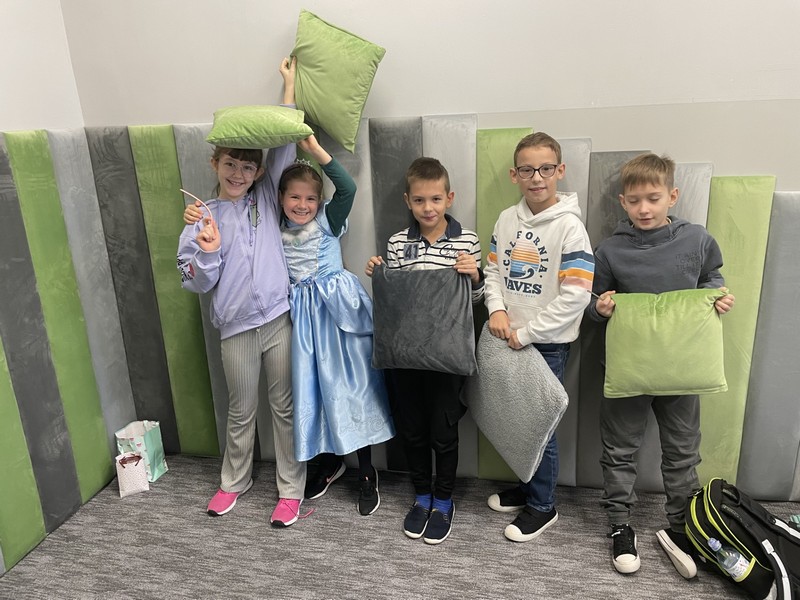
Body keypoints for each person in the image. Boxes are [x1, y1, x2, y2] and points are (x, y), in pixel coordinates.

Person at [186, 135, 395, 516]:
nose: (302, 205)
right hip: (300, 323)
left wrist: (313, 148)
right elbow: (199, 271)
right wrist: (205, 240)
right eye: (294, 197)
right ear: (279, 197)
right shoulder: (261, 220)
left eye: (310, 198)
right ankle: (325, 464)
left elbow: (346, 188)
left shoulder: (324, 219)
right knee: (312, 395)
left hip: (332, 317)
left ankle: (362, 472)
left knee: (348, 391)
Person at [587, 152, 735, 577]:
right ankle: (620, 524)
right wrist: (600, 308)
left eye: (653, 198)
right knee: (619, 449)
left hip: (683, 366)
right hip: (628, 367)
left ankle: (684, 526)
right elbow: (592, 302)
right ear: (622, 202)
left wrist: (719, 298)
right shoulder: (610, 249)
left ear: (672, 196)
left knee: (683, 451)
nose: (644, 209)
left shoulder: (697, 240)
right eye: (634, 201)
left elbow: (712, 279)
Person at [176, 57, 307, 527]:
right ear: (215, 163)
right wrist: (208, 251)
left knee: (284, 408)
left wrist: (288, 87)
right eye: (230, 164)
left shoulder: (267, 196)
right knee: (241, 410)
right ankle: (234, 481)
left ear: (257, 172)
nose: (237, 173)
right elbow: (193, 280)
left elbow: (286, 144)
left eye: (247, 166)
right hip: (235, 330)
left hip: (277, 320)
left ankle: (291, 489)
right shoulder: (201, 216)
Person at [365, 157, 484, 544]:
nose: (428, 208)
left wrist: (475, 276)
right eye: (419, 200)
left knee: (444, 433)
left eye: (435, 199)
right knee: (413, 431)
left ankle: (444, 501)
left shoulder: (467, 241)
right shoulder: (398, 243)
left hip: (447, 358)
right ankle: (421, 496)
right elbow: (396, 304)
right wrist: (380, 273)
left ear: (449, 198)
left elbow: (474, 301)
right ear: (408, 201)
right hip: (406, 357)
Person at [483, 132, 595, 543]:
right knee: (518, 423)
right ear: (515, 175)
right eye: (527, 170)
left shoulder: (570, 228)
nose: (537, 177)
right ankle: (529, 487)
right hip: (506, 337)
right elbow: (493, 271)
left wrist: (528, 332)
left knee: (541, 427)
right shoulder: (505, 220)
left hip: (545, 345)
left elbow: (577, 295)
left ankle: (544, 506)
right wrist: (496, 309)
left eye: (546, 169)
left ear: (559, 171)